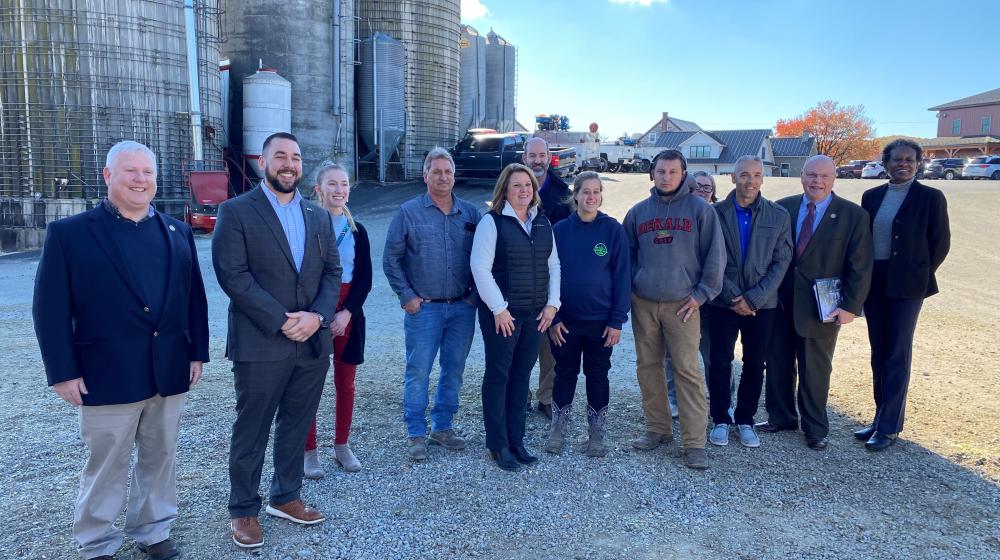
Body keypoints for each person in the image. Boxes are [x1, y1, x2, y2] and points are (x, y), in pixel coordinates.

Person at [33, 140, 209, 560]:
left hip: (168, 367)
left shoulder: (177, 231)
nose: (140, 179)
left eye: (147, 172)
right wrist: (62, 371)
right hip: (105, 372)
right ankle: (96, 542)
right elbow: (50, 307)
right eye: (130, 171)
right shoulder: (70, 234)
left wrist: (196, 353)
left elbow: (193, 300)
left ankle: (153, 529)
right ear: (108, 176)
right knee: (107, 462)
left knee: (161, 454)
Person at [213, 132, 342, 548]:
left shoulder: (317, 215)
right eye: (280, 157)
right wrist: (283, 320)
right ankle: (244, 509)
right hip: (261, 341)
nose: (289, 164)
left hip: (311, 342)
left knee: (296, 423)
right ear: (263, 162)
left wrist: (317, 317)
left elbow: (331, 273)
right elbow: (233, 275)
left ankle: (285, 496)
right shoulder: (236, 212)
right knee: (253, 427)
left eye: (296, 158)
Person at [760, 155, 873, 450]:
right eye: (811, 175)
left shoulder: (853, 216)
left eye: (824, 176)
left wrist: (850, 306)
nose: (817, 182)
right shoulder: (783, 207)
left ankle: (815, 427)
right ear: (802, 176)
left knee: (815, 369)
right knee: (778, 362)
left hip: (821, 307)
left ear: (834, 179)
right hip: (780, 302)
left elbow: (860, 266)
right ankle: (781, 416)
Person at [623, 149, 725, 470]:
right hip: (645, 302)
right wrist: (629, 291)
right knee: (648, 368)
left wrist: (700, 296)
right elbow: (626, 258)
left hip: (684, 304)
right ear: (652, 174)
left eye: (673, 171)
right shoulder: (638, 212)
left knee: (687, 371)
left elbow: (715, 258)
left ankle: (694, 442)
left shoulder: (700, 210)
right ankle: (658, 428)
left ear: (684, 174)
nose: (666, 177)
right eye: (661, 171)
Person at [383, 147, 480, 461]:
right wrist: (407, 297)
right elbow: (391, 259)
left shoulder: (470, 214)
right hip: (424, 309)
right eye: (436, 171)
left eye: (448, 171)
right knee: (419, 370)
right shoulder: (408, 212)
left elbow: (483, 259)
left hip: (463, 307)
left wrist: (473, 295)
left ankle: (443, 426)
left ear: (455, 175)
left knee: (454, 369)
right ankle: (416, 432)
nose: (443, 177)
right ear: (425, 175)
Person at [857, 139, 950, 450]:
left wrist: (919, 273)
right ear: (886, 163)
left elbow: (940, 243)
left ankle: (890, 426)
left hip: (907, 286)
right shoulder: (871, 196)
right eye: (897, 159)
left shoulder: (930, 197)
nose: (904, 164)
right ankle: (878, 417)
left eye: (910, 159)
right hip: (875, 282)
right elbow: (862, 240)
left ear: (918, 163)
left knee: (897, 353)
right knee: (878, 352)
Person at [471, 163, 561, 471]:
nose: (524, 190)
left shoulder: (542, 223)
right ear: (505, 191)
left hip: (535, 315)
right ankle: (498, 444)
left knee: (521, 377)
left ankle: (516, 440)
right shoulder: (492, 223)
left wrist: (552, 305)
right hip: (503, 316)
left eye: (528, 185)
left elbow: (554, 267)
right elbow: (480, 269)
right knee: (499, 376)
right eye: (517, 185)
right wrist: (499, 308)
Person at [705, 156, 792, 448]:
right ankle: (720, 417)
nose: (750, 181)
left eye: (756, 175)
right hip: (722, 302)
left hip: (762, 305)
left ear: (763, 178)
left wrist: (753, 298)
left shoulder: (777, 215)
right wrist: (732, 296)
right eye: (744, 175)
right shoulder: (714, 214)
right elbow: (709, 259)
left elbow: (781, 262)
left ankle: (745, 419)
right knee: (719, 361)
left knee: (755, 363)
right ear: (733, 177)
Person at [543, 171, 630, 457]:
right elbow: (548, 274)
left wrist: (617, 320)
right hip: (565, 321)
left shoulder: (613, 230)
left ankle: (596, 432)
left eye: (596, 192)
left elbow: (622, 277)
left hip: (600, 322)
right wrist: (553, 318)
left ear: (601, 195)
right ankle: (558, 427)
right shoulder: (560, 230)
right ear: (575, 195)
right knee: (564, 372)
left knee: (597, 374)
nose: (591, 197)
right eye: (586, 192)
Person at [303, 163, 373, 477]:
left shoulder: (358, 230)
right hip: (317, 309)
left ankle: (342, 444)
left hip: (349, 312)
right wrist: (322, 314)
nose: (339, 190)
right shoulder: (308, 225)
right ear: (319, 189)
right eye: (332, 184)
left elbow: (364, 278)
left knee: (346, 383)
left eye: (344, 184)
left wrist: (347, 313)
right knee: (310, 382)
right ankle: (309, 449)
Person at [522, 137, 572, 419]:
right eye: (533, 156)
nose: (538, 161)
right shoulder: (511, 188)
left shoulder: (564, 194)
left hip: (553, 281)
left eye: (542, 155)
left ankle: (546, 398)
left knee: (552, 346)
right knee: (521, 345)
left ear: (549, 157)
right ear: (524, 157)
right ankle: (520, 395)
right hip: (520, 282)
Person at [664, 170, 719, 417]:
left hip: (709, 301)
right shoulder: (676, 216)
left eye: (707, 188)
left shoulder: (716, 217)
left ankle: (719, 403)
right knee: (672, 356)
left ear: (713, 193)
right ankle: (673, 400)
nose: (701, 191)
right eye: (697, 186)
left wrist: (704, 293)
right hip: (679, 299)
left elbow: (719, 262)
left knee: (712, 356)